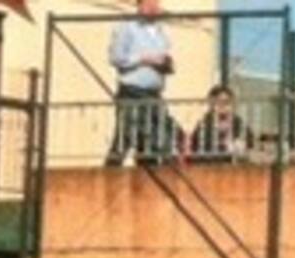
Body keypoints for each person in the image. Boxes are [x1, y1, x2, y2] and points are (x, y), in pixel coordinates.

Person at [106, 0, 177, 167]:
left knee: (154, 138)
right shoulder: (128, 27)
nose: (154, 7)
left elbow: (164, 58)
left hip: (154, 93)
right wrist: (144, 58)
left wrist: (166, 64)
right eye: (149, 3)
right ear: (139, 6)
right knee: (126, 135)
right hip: (132, 91)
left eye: (156, 3)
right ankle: (110, 173)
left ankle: (149, 175)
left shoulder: (161, 32)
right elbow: (116, 57)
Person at [188, 84, 253, 164]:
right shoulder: (204, 125)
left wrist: (240, 147)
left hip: (235, 167)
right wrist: (223, 146)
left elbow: (250, 144)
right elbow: (196, 150)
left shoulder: (239, 123)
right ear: (212, 104)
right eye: (218, 102)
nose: (223, 106)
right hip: (210, 166)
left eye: (227, 102)